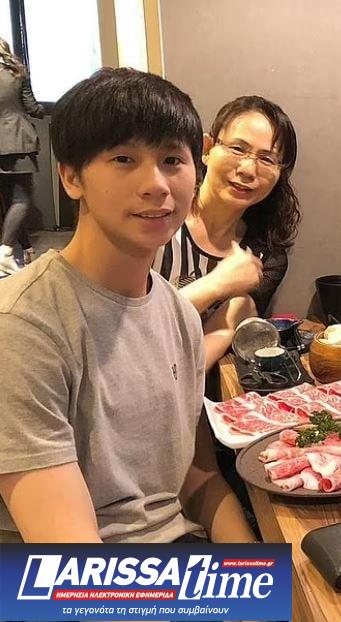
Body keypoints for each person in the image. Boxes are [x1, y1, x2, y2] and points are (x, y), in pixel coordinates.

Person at [0, 68, 255, 544]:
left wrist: (263, 577)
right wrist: (250, 584)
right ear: (71, 177)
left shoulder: (178, 314)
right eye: (123, 159)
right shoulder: (22, 327)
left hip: (180, 550)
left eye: (171, 160)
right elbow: (74, 566)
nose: (156, 184)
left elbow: (198, 480)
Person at [154, 95, 301, 375]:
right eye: (237, 149)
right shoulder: (158, 219)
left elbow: (220, 340)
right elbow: (126, 329)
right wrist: (217, 284)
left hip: (195, 390)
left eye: (266, 159)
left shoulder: (265, 255)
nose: (247, 170)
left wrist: (233, 314)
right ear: (207, 149)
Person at [0, 38, 44, 275]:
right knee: (22, 200)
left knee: (11, 202)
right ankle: (5, 253)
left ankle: (26, 248)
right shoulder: (16, 73)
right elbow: (31, 106)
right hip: (17, 140)